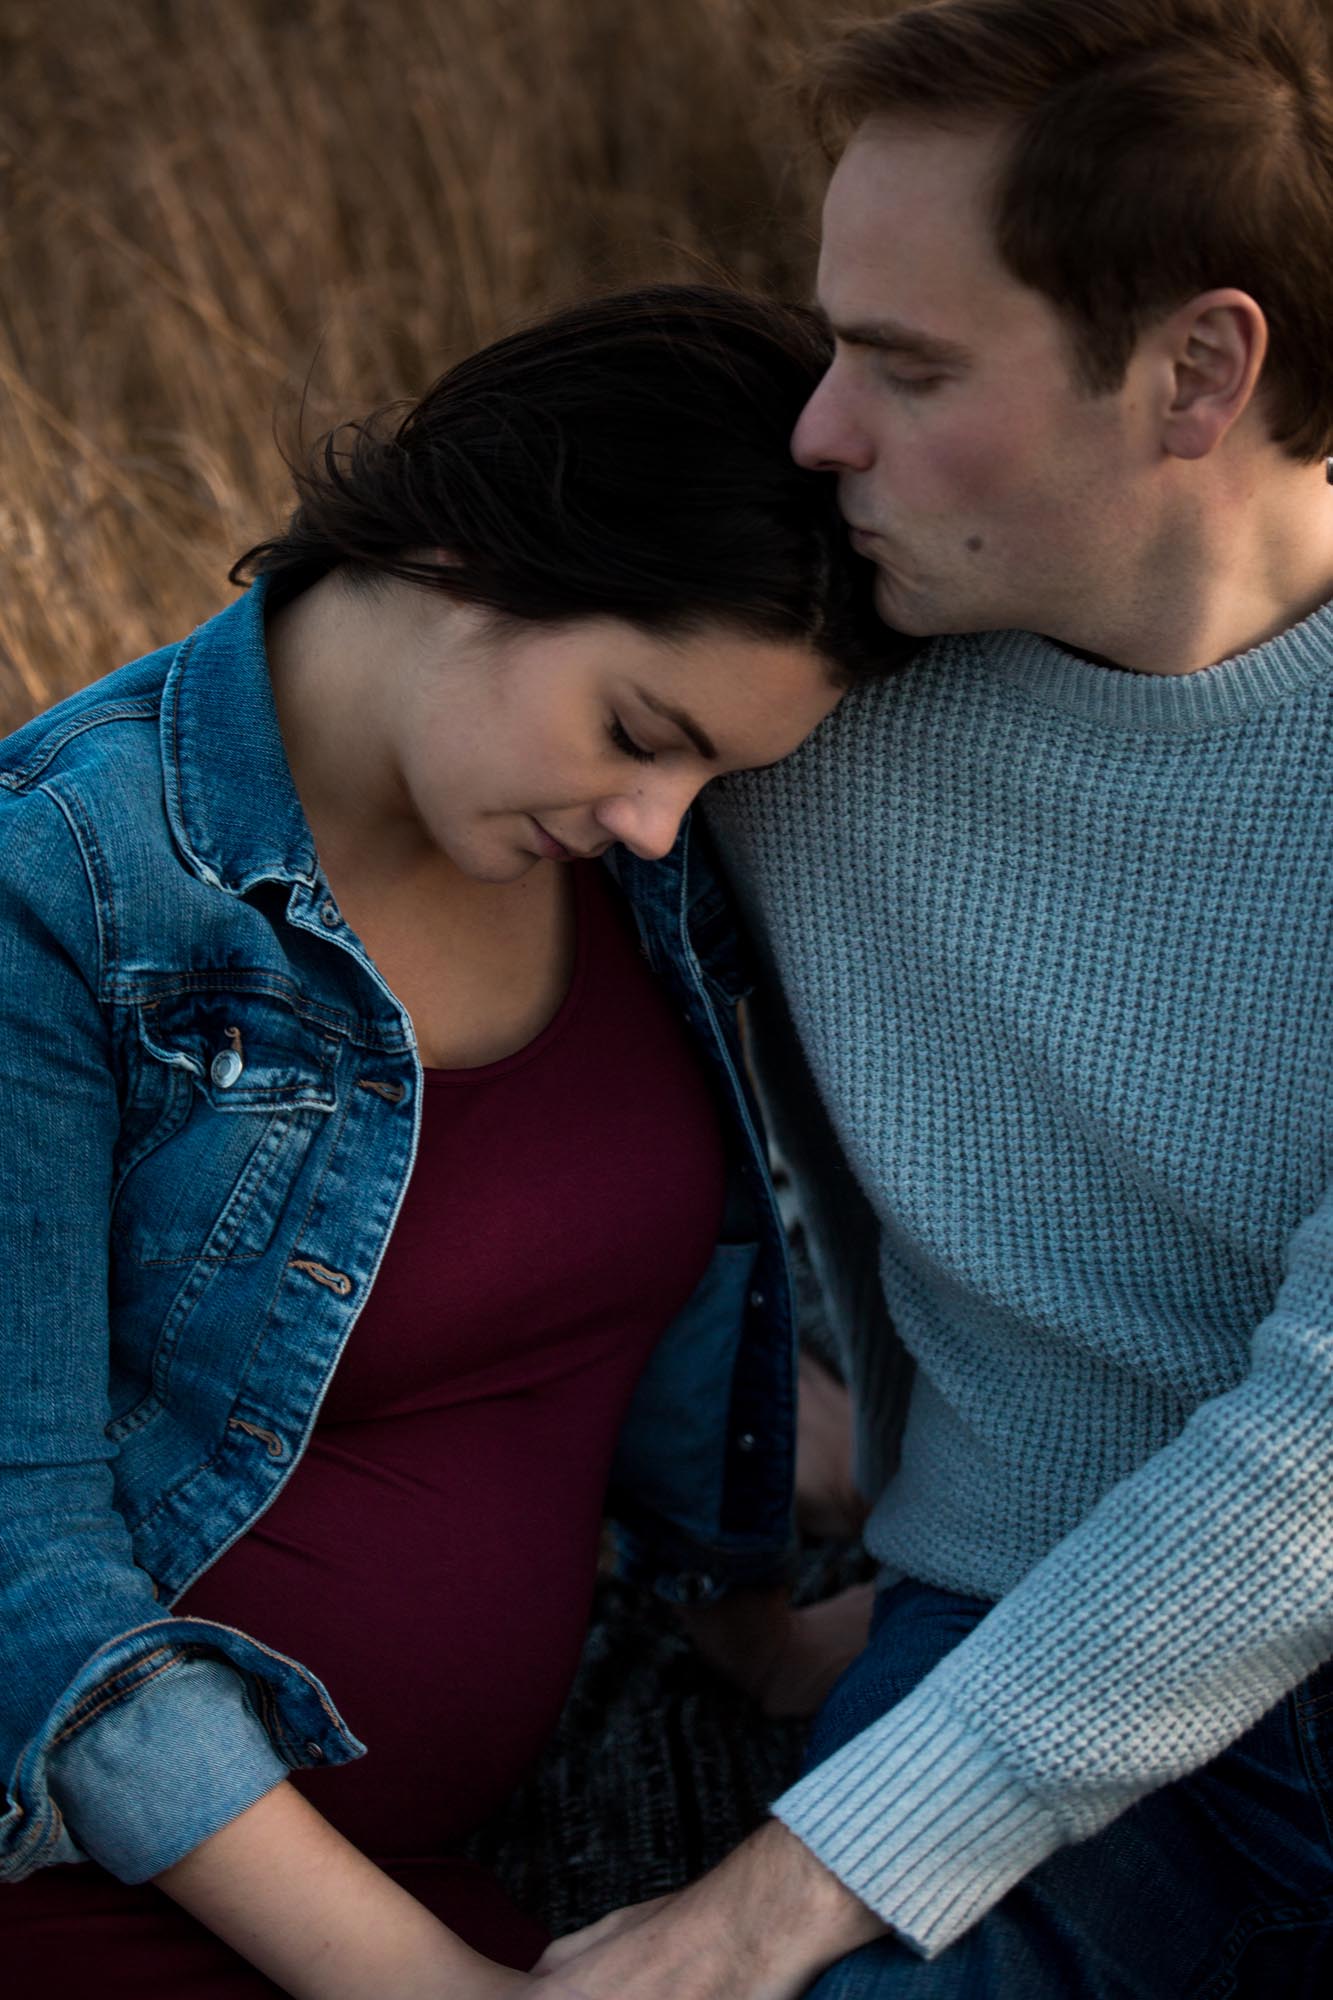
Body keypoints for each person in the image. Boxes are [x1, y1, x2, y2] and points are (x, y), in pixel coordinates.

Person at [533, 4, 1333, 1996]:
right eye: (831, 345)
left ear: (1194, 375)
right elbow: (319, 692)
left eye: (903, 366)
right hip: (986, 1632)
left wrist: (778, 1886)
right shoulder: (791, 675)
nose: (819, 430)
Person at [0, 283, 895, 1996]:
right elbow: (17, 1551)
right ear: (473, 549)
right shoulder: (61, 886)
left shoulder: (616, 865)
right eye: (644, 735)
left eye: (708, 780)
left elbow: (617, 1307)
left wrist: (762, 1631)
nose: (654, 823)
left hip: (469, 1854)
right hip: (115, 1882)